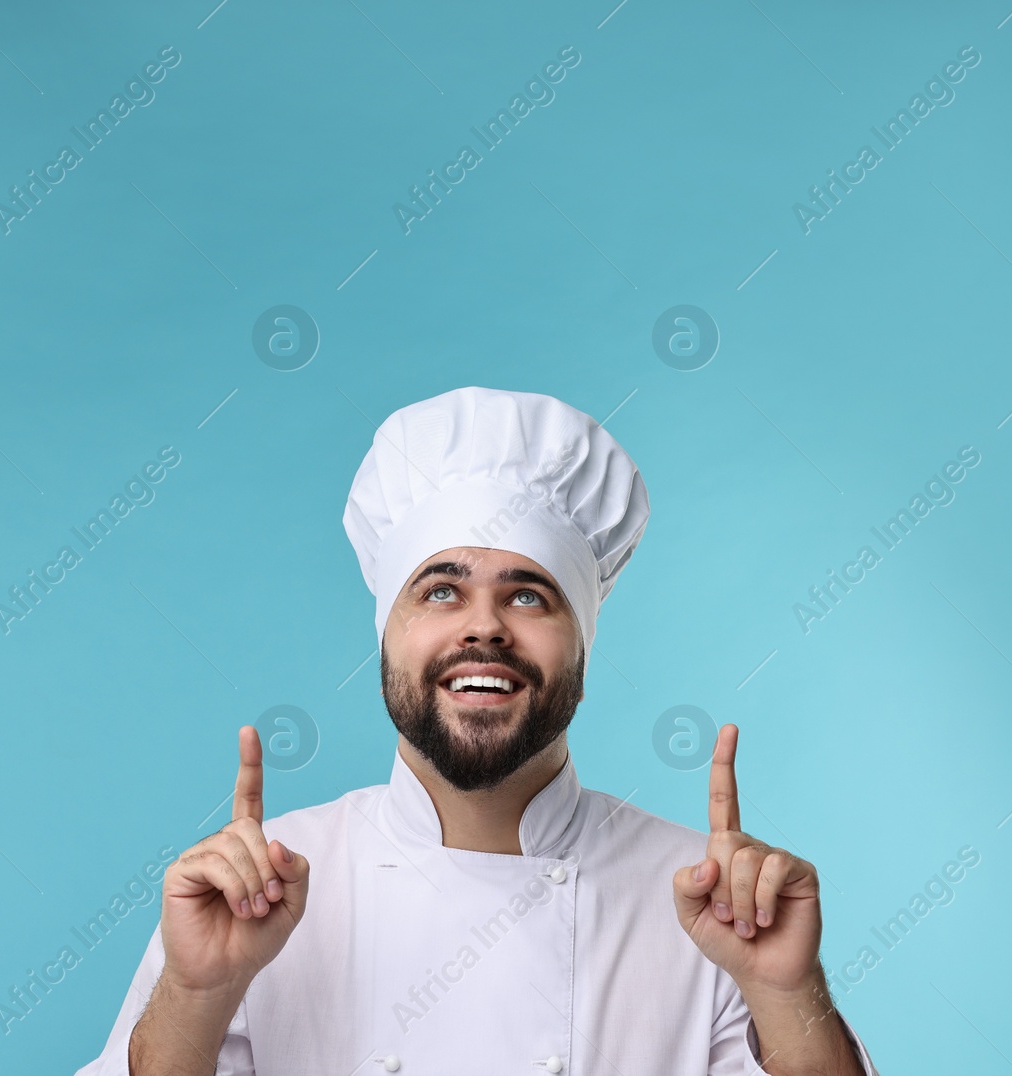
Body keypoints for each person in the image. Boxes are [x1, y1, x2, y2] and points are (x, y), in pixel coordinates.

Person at [76, 387, 880, 1075]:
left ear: (583, 641)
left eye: (529, 595)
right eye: (440, 591)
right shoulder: (256, 892)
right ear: (385, 634)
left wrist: (787, 995)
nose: (484, 629)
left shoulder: (709, 904)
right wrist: (196, 994)